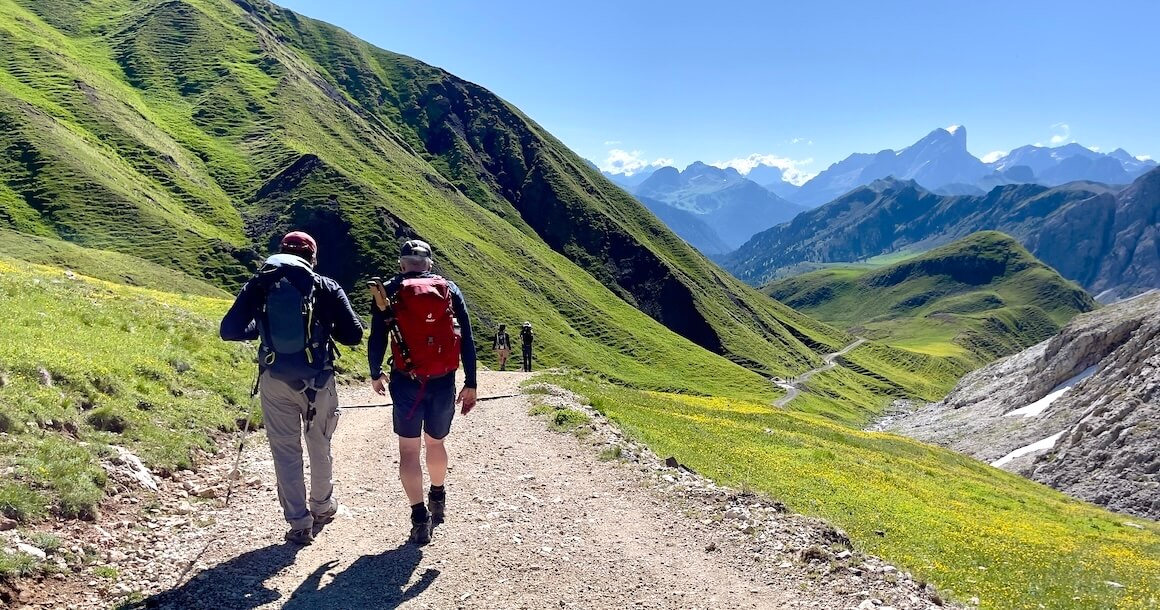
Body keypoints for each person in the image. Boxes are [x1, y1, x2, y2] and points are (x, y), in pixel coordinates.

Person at [220, 231, 364, 545]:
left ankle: (299, 524)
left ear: (281, 252)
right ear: (312, 257)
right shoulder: (325, 286)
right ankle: (322, 507)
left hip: (275, 379)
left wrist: (262, 328)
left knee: (286, 452)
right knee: (319, 444)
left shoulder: (260, 284)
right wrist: (325, 327)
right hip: (318, 381)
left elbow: (229, 330)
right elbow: (353, 335)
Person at [367, 240, 478, 545]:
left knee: (409, 450)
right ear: (429, 264)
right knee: (436, 442)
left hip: (406, 380)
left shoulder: (387, 291)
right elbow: (465, 337)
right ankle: (438, 496)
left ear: (402, 264)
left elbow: (377, 336)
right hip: (443, 380)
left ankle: (418, 519)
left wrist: (376, 372)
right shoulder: (450, 290)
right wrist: (471, 382)